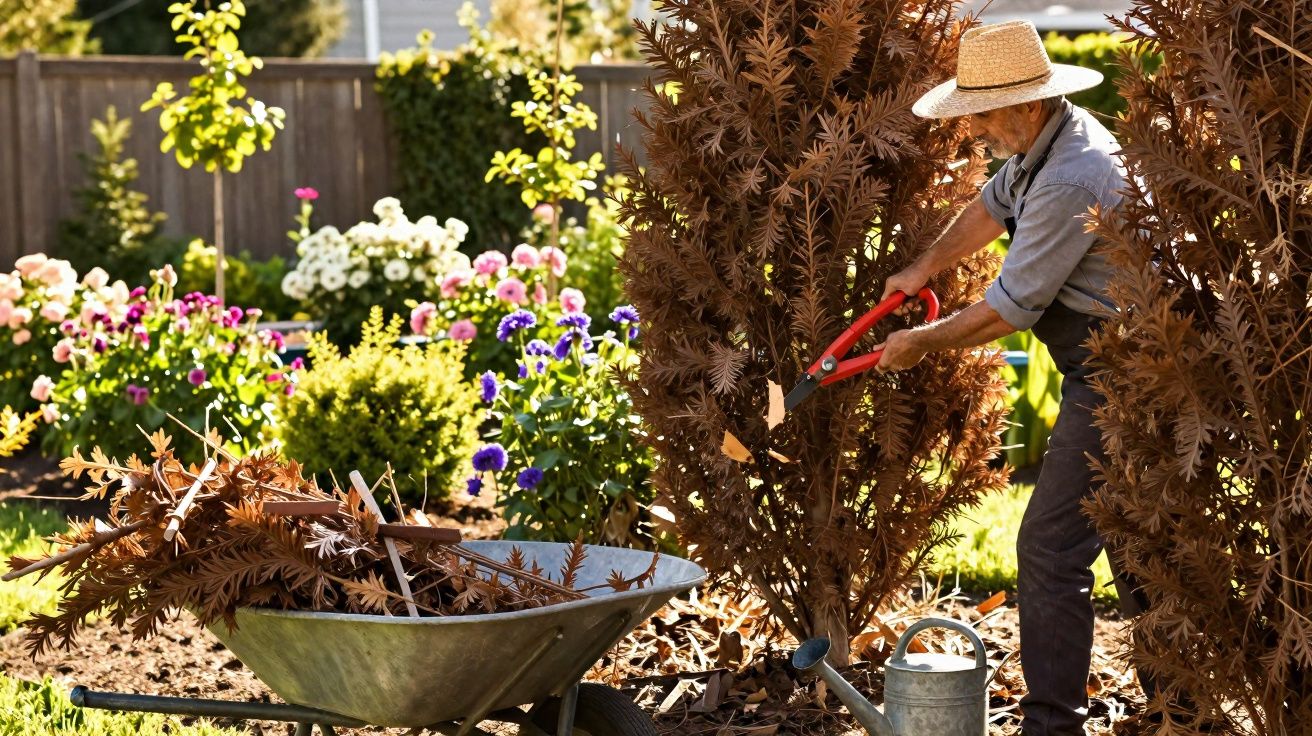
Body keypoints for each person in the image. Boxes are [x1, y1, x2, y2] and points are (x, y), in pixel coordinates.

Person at [873, 19, 1145, 736]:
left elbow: (1010, 309)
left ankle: (1052, 727)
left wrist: (920, 343)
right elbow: (989, 208)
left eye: (985, 116)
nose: (978, 132)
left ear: (1027, 104)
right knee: (1135, 539)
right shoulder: (1044, 142)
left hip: (1130, 377)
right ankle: (1185, 706)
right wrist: (924, 266)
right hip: (1110, 365)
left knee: (1049, 548)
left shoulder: (1070, 176)